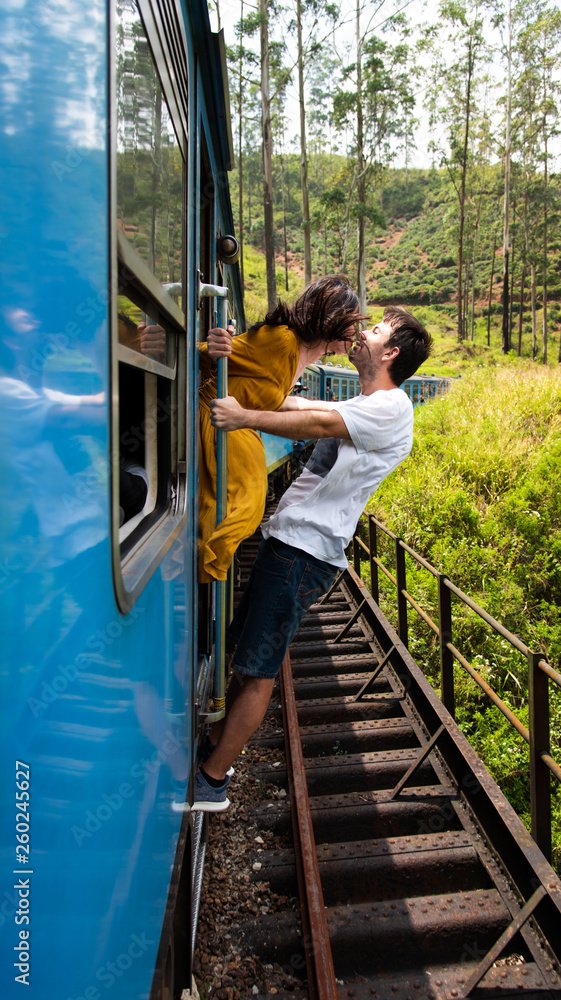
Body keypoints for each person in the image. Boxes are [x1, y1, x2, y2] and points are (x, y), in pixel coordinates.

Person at [192, 306, 432, 810]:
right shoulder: (370, 401)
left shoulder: (392, 408)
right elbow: (293, 401)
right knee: (248, 660)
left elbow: (316, 421)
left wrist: (242, 416)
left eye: (375, 331)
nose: (361, 334)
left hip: (306, 551)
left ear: (390, 353)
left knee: (258, 669)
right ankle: (216, 748)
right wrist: (232, 358)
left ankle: (212, 780)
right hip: (291, 543)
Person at [198, 276, 363, 583]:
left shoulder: (299, 351)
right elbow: (213, 355)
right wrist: (213, 346)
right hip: (219, 417)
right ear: (333, 317)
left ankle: (205, 570)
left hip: (237, 424)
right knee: (244, 503)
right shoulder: (282, 340)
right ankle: (201, 566)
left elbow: (280, 401)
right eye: (351, 322)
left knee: (244, 503)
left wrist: (342, 412)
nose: (355, 332)